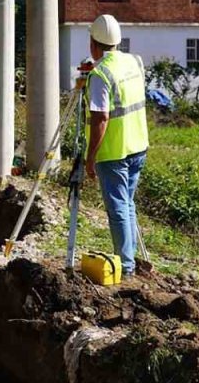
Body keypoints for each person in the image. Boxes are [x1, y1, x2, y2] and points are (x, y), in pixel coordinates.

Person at [81, 14, 149, 279]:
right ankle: (129, 259)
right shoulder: (133, 62)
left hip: (114, 152)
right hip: (138, 145)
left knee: (118, 207)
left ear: (93, 43)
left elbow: (101, 117)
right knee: (128, 203)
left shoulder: (100, 74)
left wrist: (90, 157)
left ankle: (127, 267)